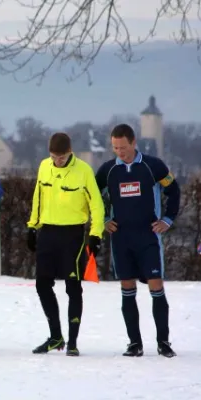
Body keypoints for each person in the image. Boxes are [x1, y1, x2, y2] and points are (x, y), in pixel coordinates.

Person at [96, 124, 180, 358]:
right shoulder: (108, 170)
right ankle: (135, 344)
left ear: (133, 143)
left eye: (123, 147)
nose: (119, 152)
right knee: (127, 288)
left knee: (156, 285)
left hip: (148, 236)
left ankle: (163, 342)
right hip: (121, 239)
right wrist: (103, 219)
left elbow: (173, 190)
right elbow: (92, 195)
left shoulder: (153, 166)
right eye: (115, 148)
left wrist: (168, 219)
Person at [26, 132, 104, 357]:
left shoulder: (84, 171)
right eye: (53, 157)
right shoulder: (44, 167)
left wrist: (95, 235)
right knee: (42, 285)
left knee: (73, 288)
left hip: (73, 236)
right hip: (48, 233)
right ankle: (55, 336)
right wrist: (32, 226)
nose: (57, 161)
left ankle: (73, 341)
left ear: (70, 153)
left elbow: (97, 206)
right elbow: (37, 197)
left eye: (61, 158)